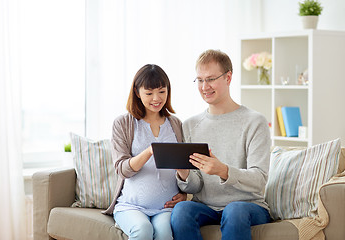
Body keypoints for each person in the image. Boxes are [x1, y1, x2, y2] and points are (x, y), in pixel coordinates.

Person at [170, 49, 271, 240]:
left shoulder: (254, 121)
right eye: (199, 80)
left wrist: (223, 170)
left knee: (234, 211)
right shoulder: (190, 125)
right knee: (182, 210)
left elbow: (260, 179)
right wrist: (183, 173)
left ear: (228, 78)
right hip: (206, 206)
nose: (204, 86)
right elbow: (195, 185)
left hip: (247, 206)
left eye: (210, 79)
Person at [103, 64, 186, 240]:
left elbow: (184, 168)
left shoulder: (176, 124)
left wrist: (185, 193)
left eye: (162, 91)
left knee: (164, 234)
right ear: (137, 92)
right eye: (149, 93)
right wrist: (149, 152)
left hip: (165, 207)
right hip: (131, 206)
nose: (156, 98)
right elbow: (122, 169)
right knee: (142, 230)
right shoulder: (123, 123)